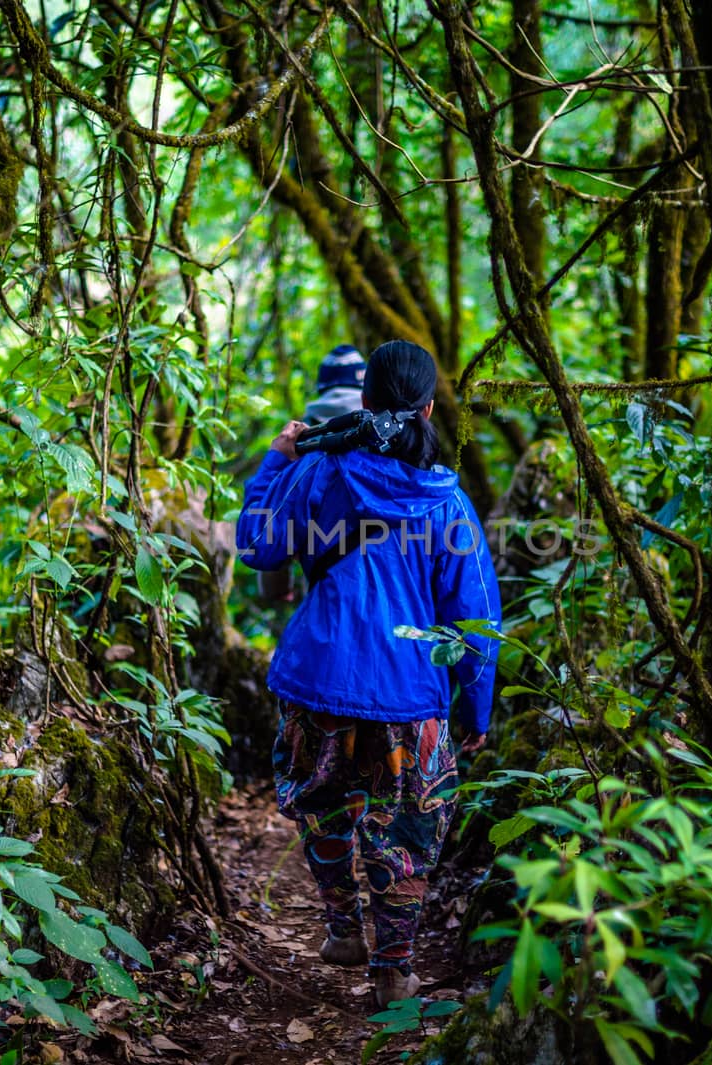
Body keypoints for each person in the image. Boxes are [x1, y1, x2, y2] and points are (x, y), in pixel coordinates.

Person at [235, 340, 501, 1007]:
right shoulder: (448, 502)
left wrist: (277, 457)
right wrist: (476, 709)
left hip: (318, 678)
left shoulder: (321, 470)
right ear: (430, 407)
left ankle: (343, 929)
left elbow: (257, 543)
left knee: (324, 806)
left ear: (365, 402)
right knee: (407, 829)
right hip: (411, 697)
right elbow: (474, 617)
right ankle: (392, 970)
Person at [258, 344, 367, 605]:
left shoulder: (297, 453)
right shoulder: (392, 450)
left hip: (324, 610)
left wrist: (279, 588)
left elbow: (267, 535)